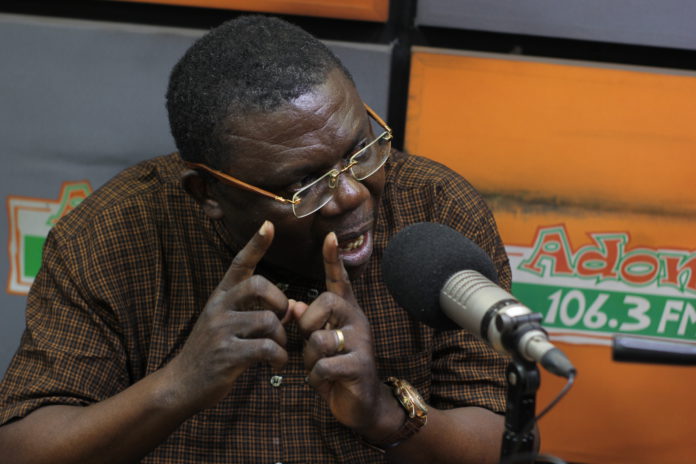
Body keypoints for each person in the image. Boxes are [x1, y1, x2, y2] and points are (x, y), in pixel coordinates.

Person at [0, 15, 512, 464]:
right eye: (304, 185)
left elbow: (492, 442)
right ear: (208, 193)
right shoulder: (115, 233)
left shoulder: (435, 210)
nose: (352, 194)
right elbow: (22, 450)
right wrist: (178, 385)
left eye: (360, 151)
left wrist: (379, 410)